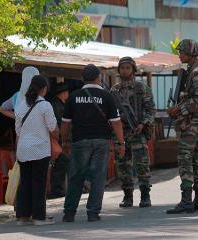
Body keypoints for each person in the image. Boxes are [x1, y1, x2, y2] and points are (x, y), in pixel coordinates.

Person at [61, 64, 125, 222]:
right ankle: (93, 213)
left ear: (82, 79)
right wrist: (121, 143)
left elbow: (65, 123)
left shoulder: (73, 96)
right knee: (98, 177)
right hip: (101, 142)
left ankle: (69, 213)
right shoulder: (107, 96)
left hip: (79, 141)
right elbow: (116, 123)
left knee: (76, 177)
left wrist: (65, 141)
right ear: (98, 78)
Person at [166, 39, 198, 214]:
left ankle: (187, 201)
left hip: (193, 122)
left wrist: (179, 109)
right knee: (196, 159)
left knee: (185, 159)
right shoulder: (194, 69)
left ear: (190, 53)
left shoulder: (197, 71)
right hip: (196, 121)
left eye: (182, 52)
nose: (179, 55)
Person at [110, 57, 155, 208]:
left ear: (133, 69)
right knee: (123, 165)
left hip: (137, 132)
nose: (124, 70)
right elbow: (110, 112)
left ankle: (145, 195)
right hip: (121, 133)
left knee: (142, 164)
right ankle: (127, 196)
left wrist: (143, 123)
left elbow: (150, 110)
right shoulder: (114, 90)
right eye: (122, 68)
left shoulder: (141, 88)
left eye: (128, 68)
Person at [15, 75, 58, 226]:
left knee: (24, 182)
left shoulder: (20, 106)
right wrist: (56, 136)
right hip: (40, 149)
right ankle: (39, 217)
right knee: (39, 183)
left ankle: (23, 217)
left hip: (23, 150)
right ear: (43, 89)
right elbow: (53, 129)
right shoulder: (45, 106)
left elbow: (18, 132)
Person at [48, 82, 70, 199]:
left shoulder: (57, 104)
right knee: (61, 162)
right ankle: (56, 189)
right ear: (63, 93)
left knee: (61, 163)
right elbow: (58, 123)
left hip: (57, 139)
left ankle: (58, 188)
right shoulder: (57, 105)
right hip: (56, 139)